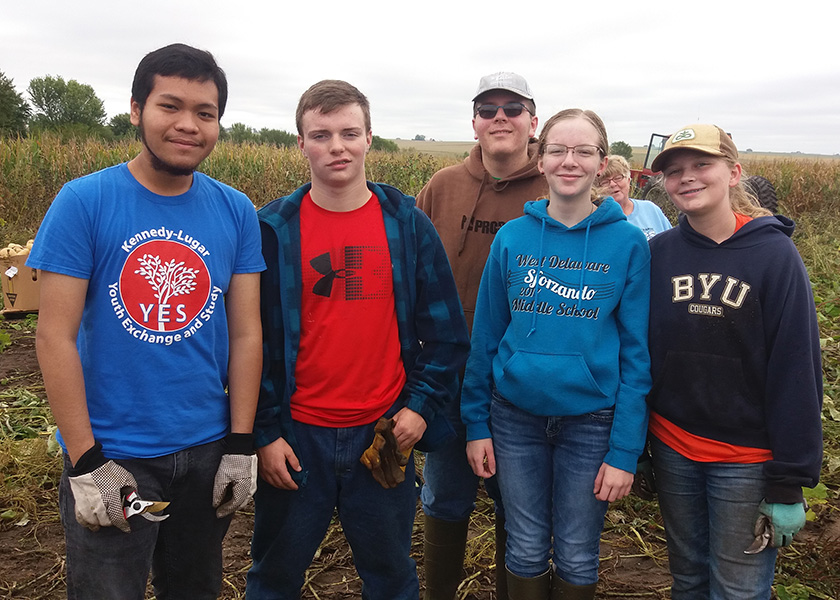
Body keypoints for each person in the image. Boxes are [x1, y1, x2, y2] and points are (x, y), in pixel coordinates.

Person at [27, 43, 265, 599]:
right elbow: (52, 336)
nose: (188, 125)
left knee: (193, 588)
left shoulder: (235, 209)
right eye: (170, 106)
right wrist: (86, 461)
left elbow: (247, 332)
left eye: (205, 113)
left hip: (207, 451)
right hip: (117, 456)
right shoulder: (84, 201)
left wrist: (241, 442)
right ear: (136, 109)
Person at [246, 80, 470, 600]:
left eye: (349, 133)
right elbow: (248, 343)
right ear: (300, 144)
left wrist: (418, 409)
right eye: (320, 135)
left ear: (370, 138)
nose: (336, 146)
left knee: (390, 576)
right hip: (297, 438)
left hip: (383, 432)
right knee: (273, 576)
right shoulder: (270, 231)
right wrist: (263, 433)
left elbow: (445, 337)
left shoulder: (408, 227)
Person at [461, 108, 652, 600]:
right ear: (540, 160)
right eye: (558, 150)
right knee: (523, 546)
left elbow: (636, 354)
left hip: (591, 421)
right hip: (513, 418)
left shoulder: (628, 243)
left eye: (583, 151)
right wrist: (477, 424)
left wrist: (625, 451)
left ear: (601, 163)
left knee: (576, 550)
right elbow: (486, 336)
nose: (570, 161)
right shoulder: (513, 237)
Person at [646, 124, 823, 599]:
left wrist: (790, 482)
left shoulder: (774, 255)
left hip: (746, 461)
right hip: (674, 448)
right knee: (688, 579)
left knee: (739, 589)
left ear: (733, 172)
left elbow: (797, 368)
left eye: (702, 165)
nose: (688, 178)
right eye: (675, 170)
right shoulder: (658, 254)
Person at [416, 71, 547, 600]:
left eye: (512, 109)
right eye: (487, 109)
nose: (500, 117)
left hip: (523, 381)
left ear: (532, 121)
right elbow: (411, 273)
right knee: (444, 496)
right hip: (449, 374)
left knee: (517, 505)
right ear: (473, 122)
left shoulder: (554, 186)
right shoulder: (442, 187)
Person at [598, 155, 671, 240]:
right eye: (605, 182)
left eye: (618, 178)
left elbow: (672, 241)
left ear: (629, 180)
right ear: (598, 188)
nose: (612, 184)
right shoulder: (597, 220)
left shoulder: (651, 209)